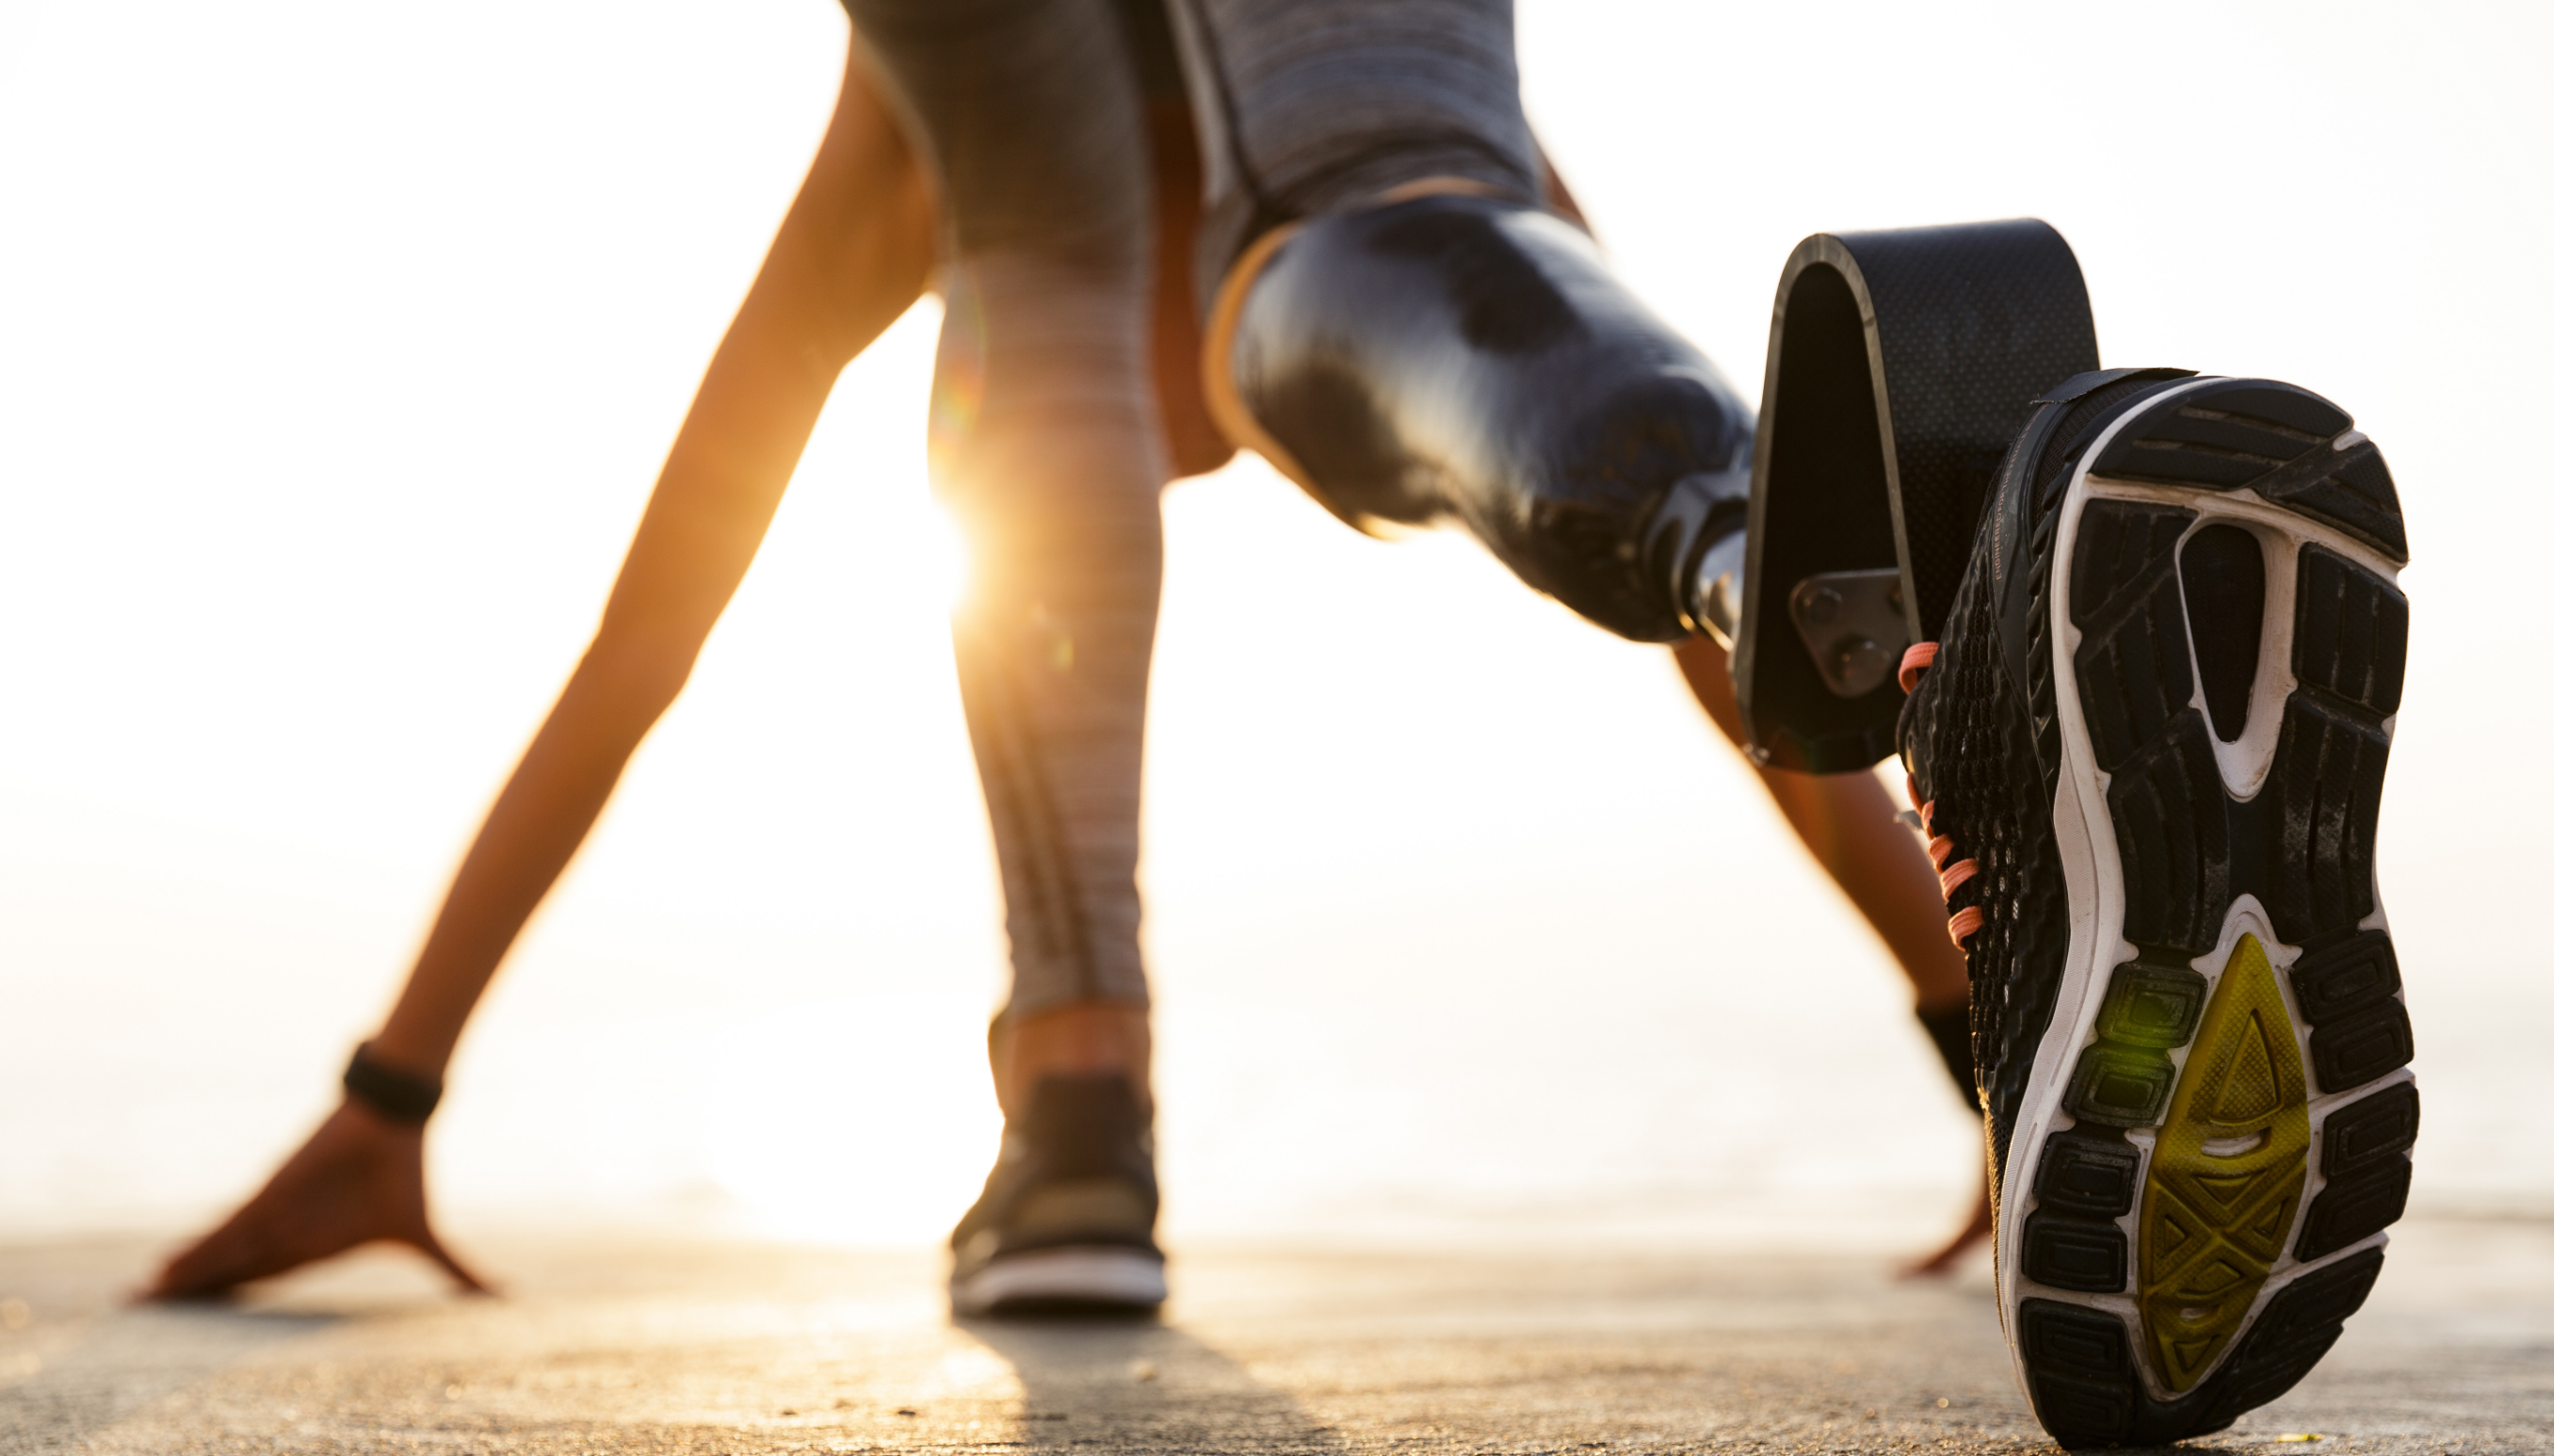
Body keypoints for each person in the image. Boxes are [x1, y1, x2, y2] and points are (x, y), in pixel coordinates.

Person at [146, 0, 1990, 1311]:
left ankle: (1082, 1106)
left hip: (1234, 175)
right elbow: (1724, 598)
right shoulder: (1384, 205)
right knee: (1651, 473)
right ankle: (2029, 789)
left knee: (1056, 277)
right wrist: (1975, 1029)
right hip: (1387, 197)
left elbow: (649, 642)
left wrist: (396, 1087)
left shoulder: (916, 155)